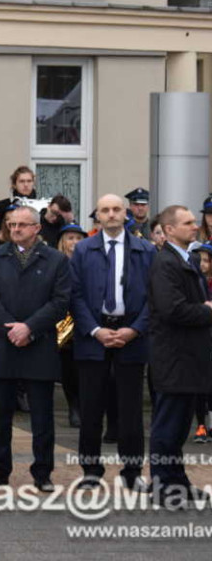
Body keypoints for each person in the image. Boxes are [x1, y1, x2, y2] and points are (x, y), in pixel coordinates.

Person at [0, 205, 70, 491]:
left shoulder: (56, 260)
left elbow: (60, 302)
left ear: (37, 228)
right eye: (12, 224)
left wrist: (29, 327)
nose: (16, 229)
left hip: (38, 345)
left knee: (42, 417)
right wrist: (12, 328)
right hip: (2, 344)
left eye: (22, 224)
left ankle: (42, 472)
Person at [68, 194, 154, 490]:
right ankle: (91, 471)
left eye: (117, 209)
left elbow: (153, 297)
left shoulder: (146, 250)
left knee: (131, 410)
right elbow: (74, 295)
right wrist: (94, 330)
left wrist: (135, 330)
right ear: (98, 216)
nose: (112, 214)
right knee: (91, 407)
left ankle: (132, 472)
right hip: (94, 336)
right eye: (106, 210)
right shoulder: (82, 250)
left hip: (131, 335)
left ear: (126, 214)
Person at [147, 205, 212, 507]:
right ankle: (162, 484)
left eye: (194, 221)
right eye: (187, 222)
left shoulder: (187, 259)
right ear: (169, 229)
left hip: (188, 358)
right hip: (173, 358)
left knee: (179, 427)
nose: (194, 226)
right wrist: (207, 310)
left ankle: (178, 483)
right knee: (167, 426)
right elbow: (171, 308)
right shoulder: (165, 263)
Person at [55, 223, 86, 427]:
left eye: (77, 238)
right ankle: (73, 406)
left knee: (84, 368)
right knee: (68, 369)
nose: (74, 243)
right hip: (63, 322)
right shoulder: (57, 262)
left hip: (85, 320)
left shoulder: (88, 261)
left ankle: (85, 406)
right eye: (69, 238)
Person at [191, 243, 212, 443]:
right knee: (200, 387)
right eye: (200, 261)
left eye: (207, 260)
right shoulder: (193, 282)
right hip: (199, 338)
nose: (203, 265)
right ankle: (201, 425)